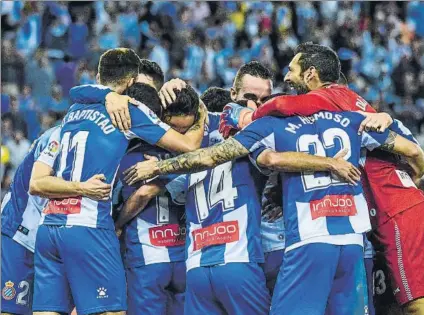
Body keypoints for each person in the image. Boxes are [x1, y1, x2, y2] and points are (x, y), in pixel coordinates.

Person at [123, 107, 422, 315]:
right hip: (313, 248)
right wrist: (332, 162)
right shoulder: (353, 119)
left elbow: (168, 184)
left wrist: (157, 169)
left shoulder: (244, 138)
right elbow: (412, 151)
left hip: (201, 263)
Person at [221, 42, 424, 314]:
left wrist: (239, 114)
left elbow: (280, 104)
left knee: (414, 304)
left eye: (292, 70)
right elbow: (414, 151)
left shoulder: (329, 97)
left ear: (310, 74)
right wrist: (413, 180)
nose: (287, 77)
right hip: (390, 211)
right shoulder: (354, 104)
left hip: (391, 211)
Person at [28, 48, 206, 315]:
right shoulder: (130, 112)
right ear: (133, 81)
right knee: (110, 310)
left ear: (100, 75)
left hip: (49, 226)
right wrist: (200, 107)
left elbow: (78, 91)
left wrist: (107, 94)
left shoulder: (74, 110)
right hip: (88, 224)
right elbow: (189, 146)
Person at [1, 126, 111, 315]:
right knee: (12, 309)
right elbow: (36, 185)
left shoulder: (101, 142)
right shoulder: (57, 136)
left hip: (55, 237)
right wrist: (83, 188)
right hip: (21, 230)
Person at [114, 84, 201, 315]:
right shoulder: (193, 157)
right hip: (184, 256)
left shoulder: (130, 155)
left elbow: (142, 193)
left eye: (185, 130)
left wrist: (118, 224)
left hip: (147, 258)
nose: (180, 136)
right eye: (175, 129)